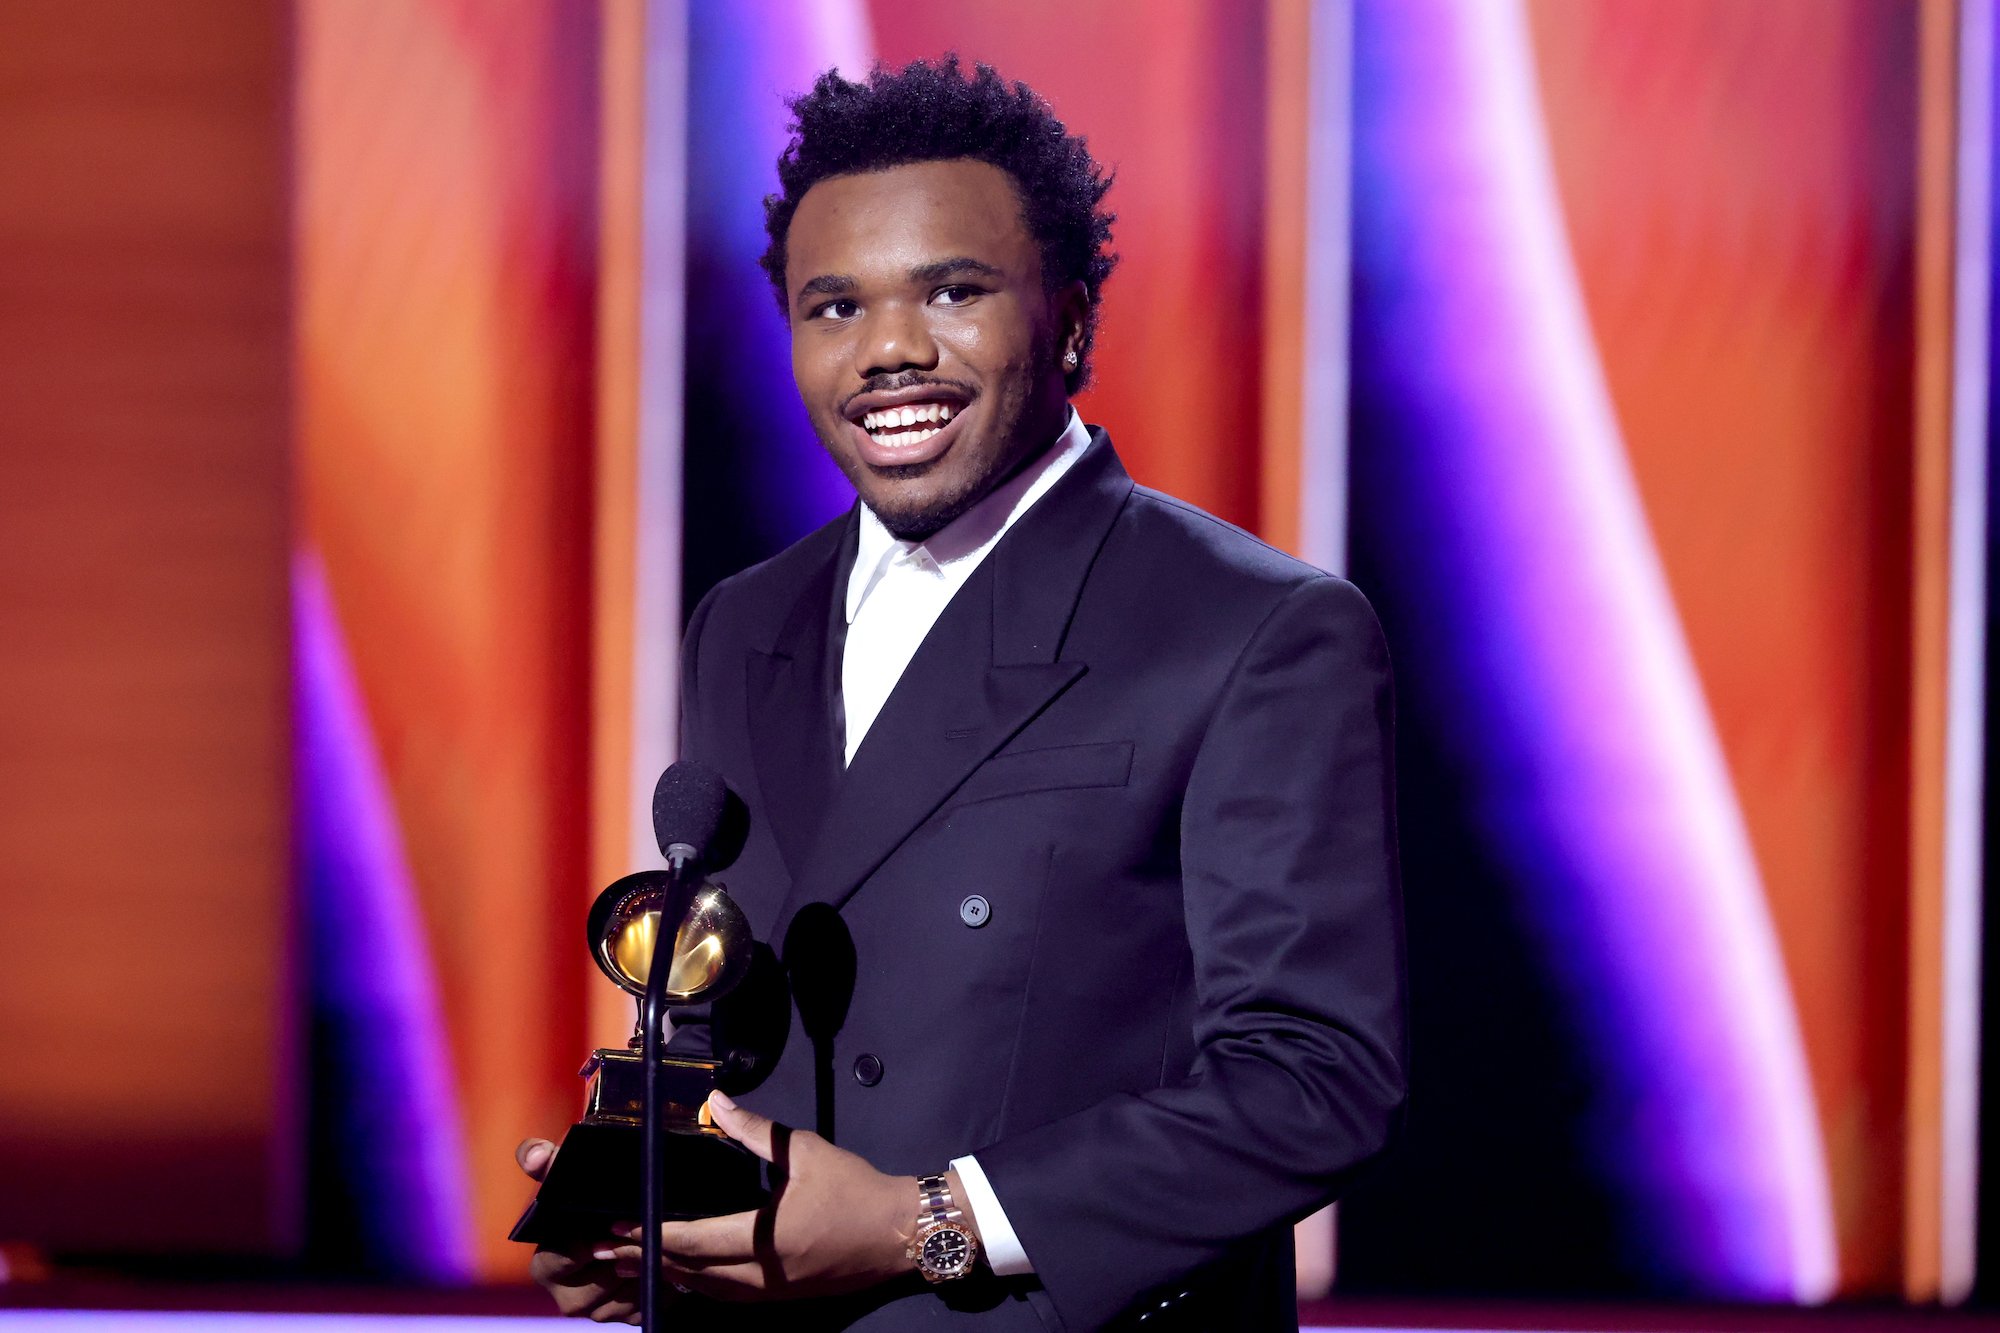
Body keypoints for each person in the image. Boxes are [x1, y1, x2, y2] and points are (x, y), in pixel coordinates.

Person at [518, 56, 1405, 1331]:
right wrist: (641, 1219)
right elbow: (742, 1040)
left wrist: (912, 1225)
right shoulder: (743, 622)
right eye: (834, 307)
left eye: (951, 291)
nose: (889, 350)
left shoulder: (1254, 628)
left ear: (1074, 321)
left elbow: (1311, 1083)